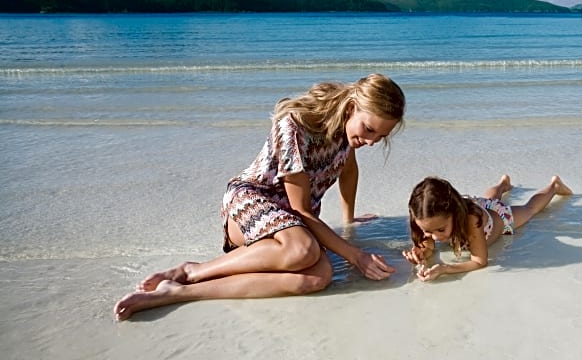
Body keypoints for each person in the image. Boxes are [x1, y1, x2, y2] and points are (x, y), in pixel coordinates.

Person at [114, 73, 406, 320]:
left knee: (317, 278)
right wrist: (356, 256)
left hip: (292, 224)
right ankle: (191, 271)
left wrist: (349, 221)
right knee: (303, 250)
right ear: (351, 106)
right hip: (249, 203)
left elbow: (348, 169)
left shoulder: (345, 130)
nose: (369, 141)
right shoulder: (295, 125)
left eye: (379, 137)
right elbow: (301, 210)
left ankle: (181, 291)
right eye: (368, 129)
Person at [402, 174, 572, 281]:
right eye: (428, 231)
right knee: (489, 198)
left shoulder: (470, 221)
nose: (436, 237)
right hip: (481, 206)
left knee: (529, 209)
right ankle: (503, 183)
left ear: (455, 213)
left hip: (500, 218)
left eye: (441, 230)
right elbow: (429, 243)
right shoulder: (428, 218)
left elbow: (479, 261)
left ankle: (554, 186)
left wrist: (445, 268)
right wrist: (423, 251)